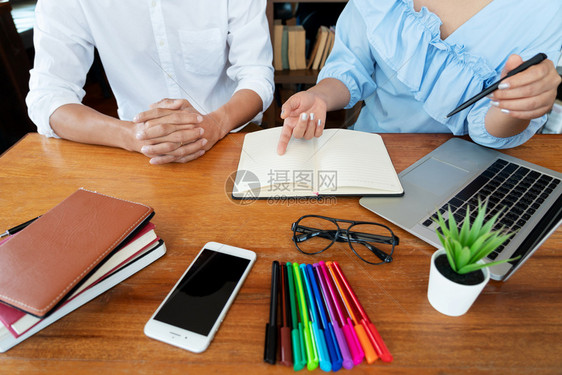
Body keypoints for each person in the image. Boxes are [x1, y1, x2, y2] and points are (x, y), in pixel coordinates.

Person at [276, 0, 562, 155]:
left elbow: (491, 129)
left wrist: (516, 104)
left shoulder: (546, 10)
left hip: (471, 172)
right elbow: (351, 65)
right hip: (372, 152)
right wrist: (320, 96)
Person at [26, 0, 274, 164]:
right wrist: (134, 136)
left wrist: (216, 124)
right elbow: (48, 97)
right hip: (135, 152)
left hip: (231, 137)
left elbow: (256, 72)